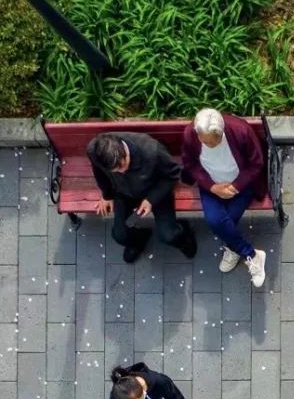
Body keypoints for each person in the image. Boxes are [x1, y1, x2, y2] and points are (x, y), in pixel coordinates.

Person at [180, 108, 267, 284]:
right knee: (215, 220)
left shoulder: (240, 131)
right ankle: (250, 254)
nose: (208, 145)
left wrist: (235, 186)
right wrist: (212, 187)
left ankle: (233, 248)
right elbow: (190, 164)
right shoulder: (191, 134)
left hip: (241, 184)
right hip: (211, 185)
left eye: (213, 143)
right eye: (204, 142)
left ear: (222, 133)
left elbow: (256, 164)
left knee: (226, 221)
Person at [86, 129, 196, 262]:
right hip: (123, 192)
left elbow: (172, 176)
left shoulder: (152, 151)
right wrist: (107, 195)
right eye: (116, 170)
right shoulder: (94, 151)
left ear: (123, 148)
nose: (123, 170)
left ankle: (184, 239)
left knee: (169, 235)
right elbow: (99, 173)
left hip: (155, 190)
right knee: (120, 235)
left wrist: (151, 199)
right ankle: (139, 240)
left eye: (123, 164)